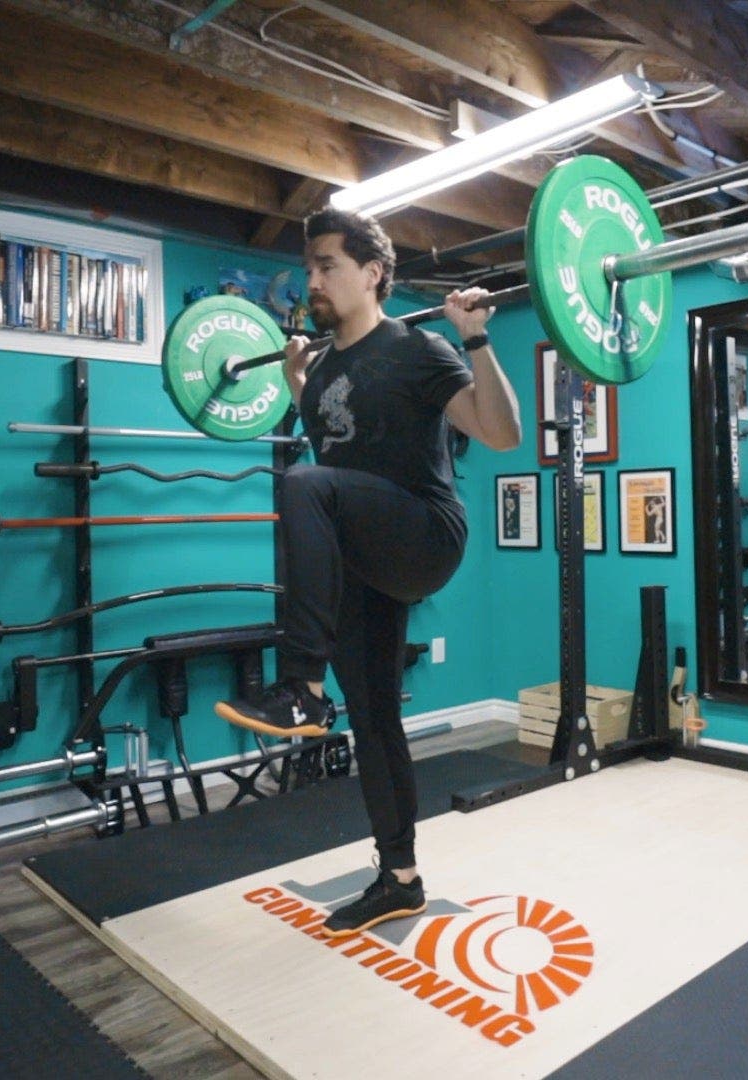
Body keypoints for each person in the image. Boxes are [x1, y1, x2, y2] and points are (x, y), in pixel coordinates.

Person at [214, 207, 522, 939]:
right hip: (365, 555)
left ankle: (301, 688)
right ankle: (400, 878)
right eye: (312, 268)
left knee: (301, 482)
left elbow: (501, 434)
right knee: (377, 716)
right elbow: (345, 453)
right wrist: (297, 387)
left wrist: (475, 338)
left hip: (423, 533)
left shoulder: (417, 348)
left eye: (328, 266)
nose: (314, 280)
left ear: (374, 275)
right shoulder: (321, 369)